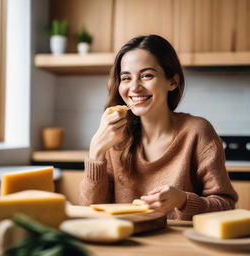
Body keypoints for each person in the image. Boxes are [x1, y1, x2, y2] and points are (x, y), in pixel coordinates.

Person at [79, 34, 238, 220]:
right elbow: (91, 211)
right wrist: (96, 152)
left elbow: (226, 207)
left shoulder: (197, 132)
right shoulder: (115, 138)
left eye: (147, 75)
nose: (135, 87)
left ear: (173, 82)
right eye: (126, 78)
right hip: (127, 243)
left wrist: (183, 200)